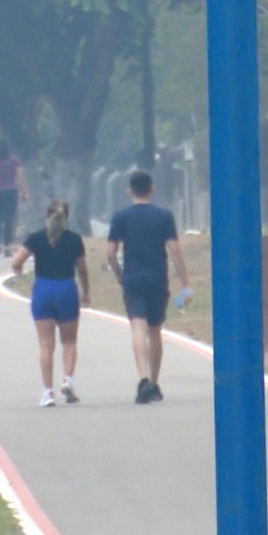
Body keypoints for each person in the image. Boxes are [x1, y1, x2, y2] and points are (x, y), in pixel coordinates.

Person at [105, 170, 192, 404]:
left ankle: (142, 378)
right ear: (152, 188)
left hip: (133, 277)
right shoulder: (164, 216)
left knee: (137, 327)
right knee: (155, 331)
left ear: (129, 191)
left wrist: (120, 276)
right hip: (157, 278)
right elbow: (174, 250)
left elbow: (110, 253)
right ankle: (153, 382)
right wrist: (185, 283)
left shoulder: (121, 217)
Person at [12, 199, 90, 406]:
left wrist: (19, 270)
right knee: (70, 341)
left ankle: (48, 393)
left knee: (46, 345)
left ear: (47, 216)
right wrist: (87, 290)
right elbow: (82, 268)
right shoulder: (74, 239)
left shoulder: (36, 238)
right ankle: (68, 381)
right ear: (67, 217)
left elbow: (16, 261)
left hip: (44, 289)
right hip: (66, 288)